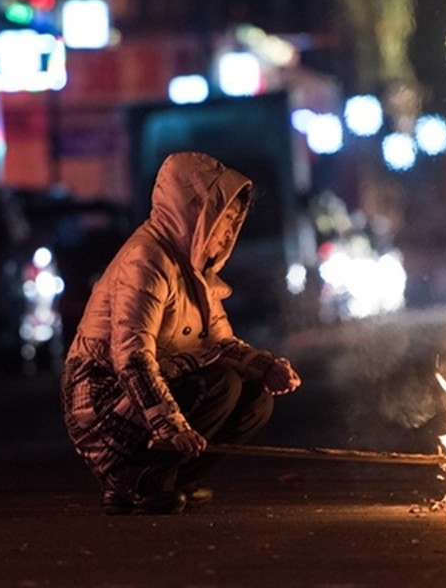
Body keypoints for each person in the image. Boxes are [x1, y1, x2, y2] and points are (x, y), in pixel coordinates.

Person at [61, 152, 302, 514]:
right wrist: (168, 425)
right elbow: (132, 357)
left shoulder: (196, 274)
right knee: (220, 385)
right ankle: (133, 476)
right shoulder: (147, 259)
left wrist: (263, 367)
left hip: (147, 393)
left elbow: (219, 343)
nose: (226, 236)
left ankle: (173, 478)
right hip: (101, 400)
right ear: (194, 214)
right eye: (222, 221)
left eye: (234, 223)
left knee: (255, 395)